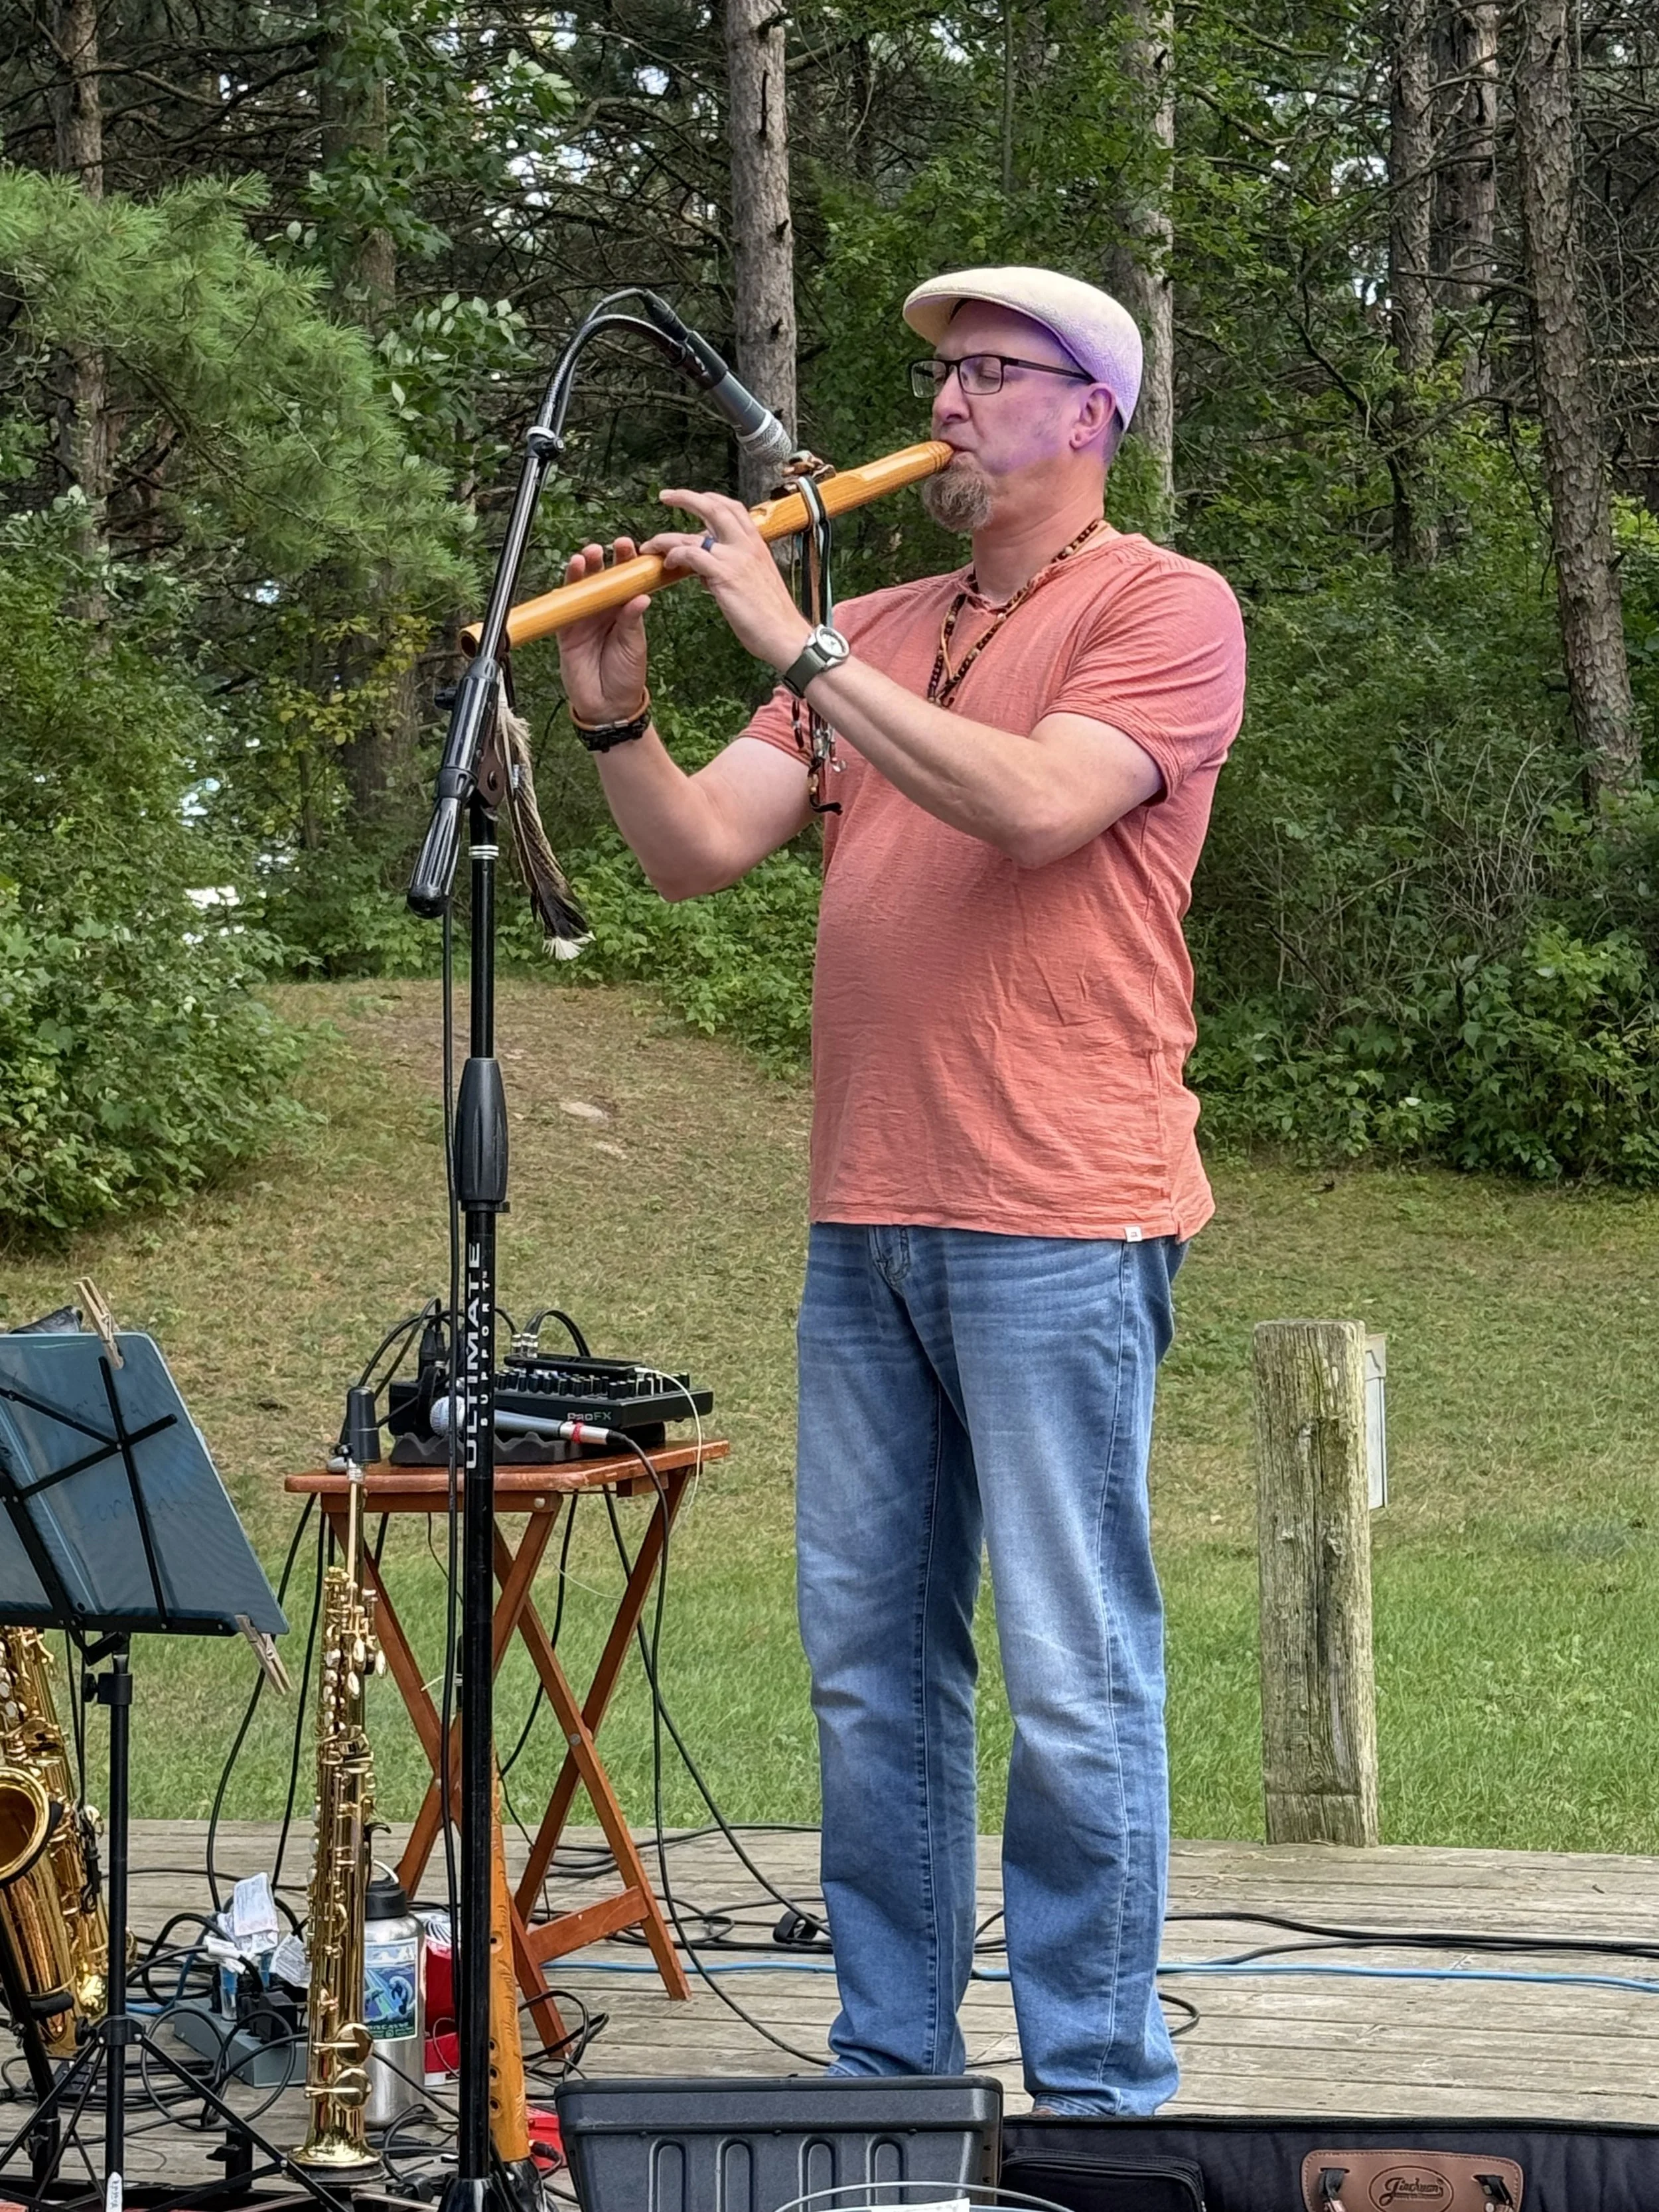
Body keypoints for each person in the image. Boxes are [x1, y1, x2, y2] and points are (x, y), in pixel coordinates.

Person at [554, 266, 1246, 2114]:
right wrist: (619, 719)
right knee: (870, 1668)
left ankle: (1098, 2086)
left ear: (1085, 411)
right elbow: (703, 853)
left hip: (1060, 1212)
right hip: (865, 1216)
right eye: (935, 376)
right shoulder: (878, 615)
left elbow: (1032, 806)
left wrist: (792, 645)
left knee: (1074, 1668)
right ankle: (888, 2066)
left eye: (983, 377)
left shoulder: (1162, 610)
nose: (939, 407)